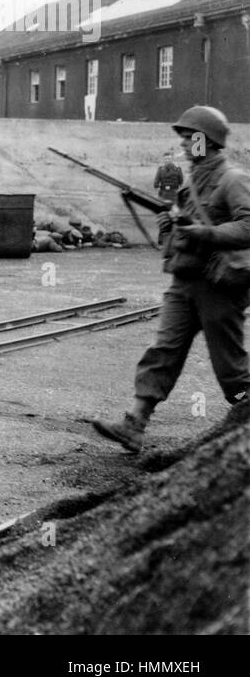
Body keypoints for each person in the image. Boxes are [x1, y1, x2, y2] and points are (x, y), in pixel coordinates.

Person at [93, 106, 250, 453]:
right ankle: (134, 423)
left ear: (206, 140)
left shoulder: (232, 179)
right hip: (185, 281)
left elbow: (248, 225)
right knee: (163, 350)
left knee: (230, 366)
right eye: (181, 135)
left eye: (188, 135)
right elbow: (186, 226)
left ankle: (246, 419)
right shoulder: (192, 180)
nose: (182, 141)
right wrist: (171, 226)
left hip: (218, 285)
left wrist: (205, 233)